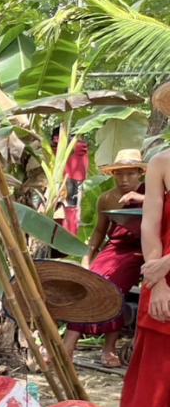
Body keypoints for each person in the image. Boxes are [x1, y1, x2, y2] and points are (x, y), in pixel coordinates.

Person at [62, 148, 146, 367]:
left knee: (112, 287)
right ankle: (68, 345)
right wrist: (87, 258)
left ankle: (108, 348)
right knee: (90, 285)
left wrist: (143, 198)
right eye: (120, 174)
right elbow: (99, 231)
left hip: (143, 250)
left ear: (140, 174)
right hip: (115, 249)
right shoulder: (106, 199)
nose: (125, 179)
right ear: (113, 175)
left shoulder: (153, 192)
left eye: (130, 174)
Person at [119, 137, 170, 407]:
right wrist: (159, 282)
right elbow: (150, 225)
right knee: (154, 375)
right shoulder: (160, 162)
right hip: (161, 277)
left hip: (164, 264)